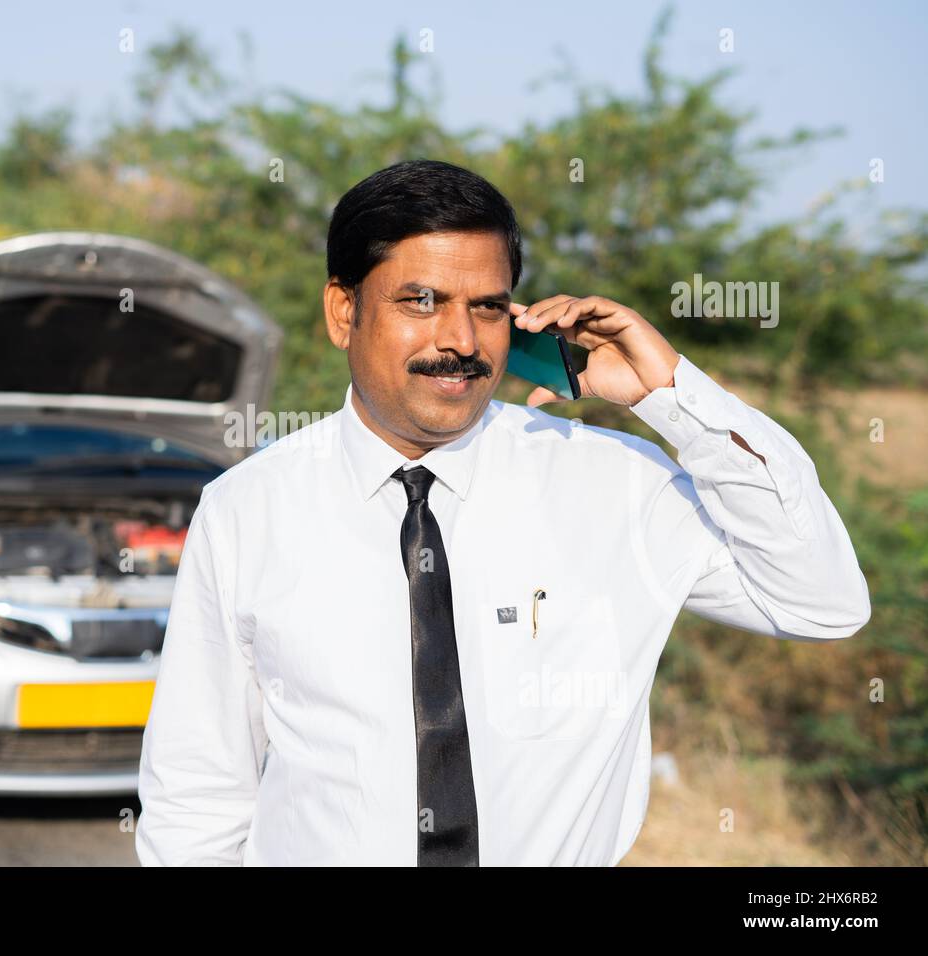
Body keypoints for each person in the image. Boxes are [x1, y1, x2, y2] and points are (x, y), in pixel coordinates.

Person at [134, 159, 871, 866]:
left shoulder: (614, 486)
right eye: (419, 302)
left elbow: (822, 603)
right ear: (343, 311)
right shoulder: (246, 510)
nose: (459, 340)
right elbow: (198, 791)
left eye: (485, 307)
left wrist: (668, 395)